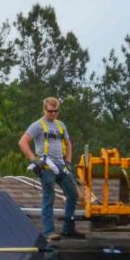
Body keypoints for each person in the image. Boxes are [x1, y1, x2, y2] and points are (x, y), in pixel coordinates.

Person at [18, 97, 84, 242]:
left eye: (56, 111)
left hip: (61, 166)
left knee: (73, 195)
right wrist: (33, 159)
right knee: (49, 196)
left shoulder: (61, 125)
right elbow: (22, 142)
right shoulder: (37, 125)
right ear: (44, 109)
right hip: (46, 166)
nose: (53, 114)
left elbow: (68, 144)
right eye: (50, 111)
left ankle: (68, 228)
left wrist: (68, 161)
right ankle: (49, 231)